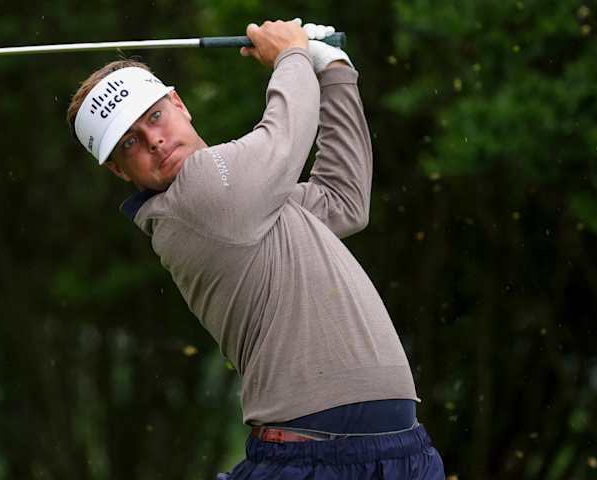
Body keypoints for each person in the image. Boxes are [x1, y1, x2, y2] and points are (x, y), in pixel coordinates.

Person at [67, 19, 445, 479]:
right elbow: (284, 137)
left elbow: (344, 201)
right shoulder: (198, 198)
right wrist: (291, 55)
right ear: (120, 172)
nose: (154, 140)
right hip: (313, 461)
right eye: (130, 143)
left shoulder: (247, 204)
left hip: (400, 451)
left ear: (180, 105)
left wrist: (335, 72)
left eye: (154, 116)